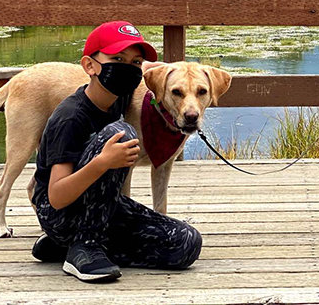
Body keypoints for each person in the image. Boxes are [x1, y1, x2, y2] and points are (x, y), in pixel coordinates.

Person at [29, 21, 203, 282]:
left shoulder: (119, 98)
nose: (126, 69)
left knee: (186, 243)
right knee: (121, 134)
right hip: (59, 214)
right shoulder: (70, 117)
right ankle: (82, 248)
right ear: (90, 66)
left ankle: (66, 246)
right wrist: (102, 162)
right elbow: (55, 197)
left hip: (103, 206)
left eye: (134, 63)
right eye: (117, 59)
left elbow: (153, 79)